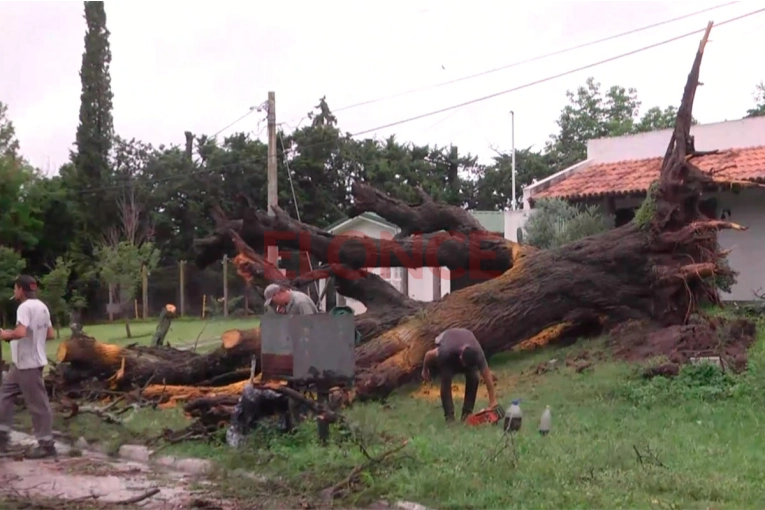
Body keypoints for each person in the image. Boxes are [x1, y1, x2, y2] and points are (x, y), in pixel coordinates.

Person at [0, 275, 56, 458]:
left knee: (37, 403)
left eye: (15, 288)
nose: (14, 292)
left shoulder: (24, 307)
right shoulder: (42, 307)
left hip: (28, 365)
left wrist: (5, 334)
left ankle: (46, 444)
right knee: (5, 394)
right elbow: (50, 334)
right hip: (22, 363)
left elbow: (21, 332)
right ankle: (2, 436)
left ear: (21, 290)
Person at [421, 328, 498, 422]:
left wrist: (492, 401)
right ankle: (449, 417)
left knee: (474, 378)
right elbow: (429, 355)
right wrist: (424, 370)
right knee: (446, 378)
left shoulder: (477, 352)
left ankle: (467, 413)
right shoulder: (446, 350)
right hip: (446, 344)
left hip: (465, 339)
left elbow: (486, 375)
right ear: (461, 356)